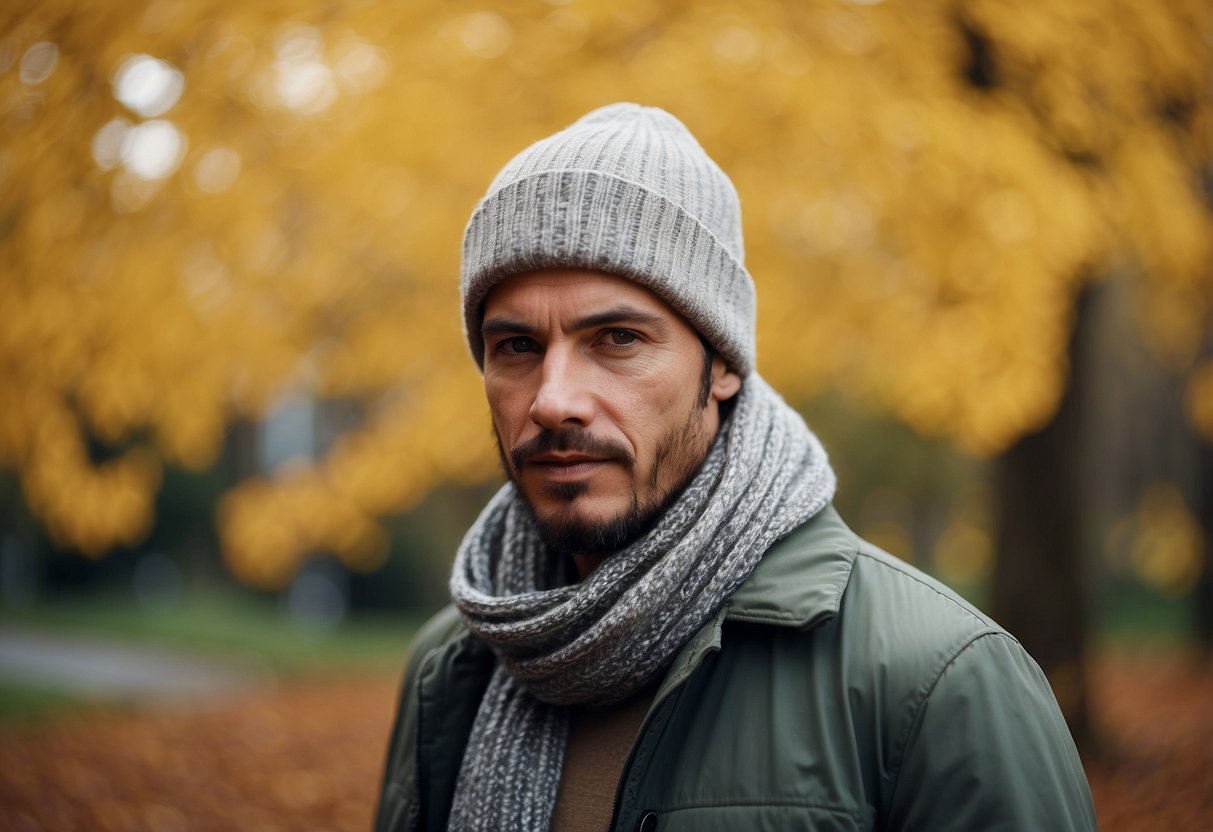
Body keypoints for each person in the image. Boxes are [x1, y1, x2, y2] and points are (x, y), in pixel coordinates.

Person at [374, 103, 1096, 832]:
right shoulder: (452, 667)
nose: (553, 401)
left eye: (617, 339)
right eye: (517, 348)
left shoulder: (937, 682)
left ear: (720, 365)